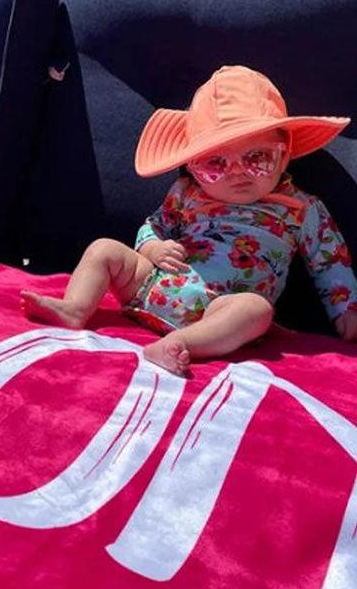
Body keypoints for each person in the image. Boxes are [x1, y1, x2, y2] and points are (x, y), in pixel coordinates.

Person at [21, 65, 357, 376]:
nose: (236, 173)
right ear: (193, 166)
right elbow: (155, 225)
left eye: (257, 159)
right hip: (156, 287)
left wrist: (346, 309)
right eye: (215, 164)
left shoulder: (301, 208)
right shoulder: (186, 192)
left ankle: (182, 343)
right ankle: (75, 308)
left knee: (257, 309)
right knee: (104, 249)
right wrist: (152, 248)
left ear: (283, 156)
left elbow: (330, 261)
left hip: (222, 312)